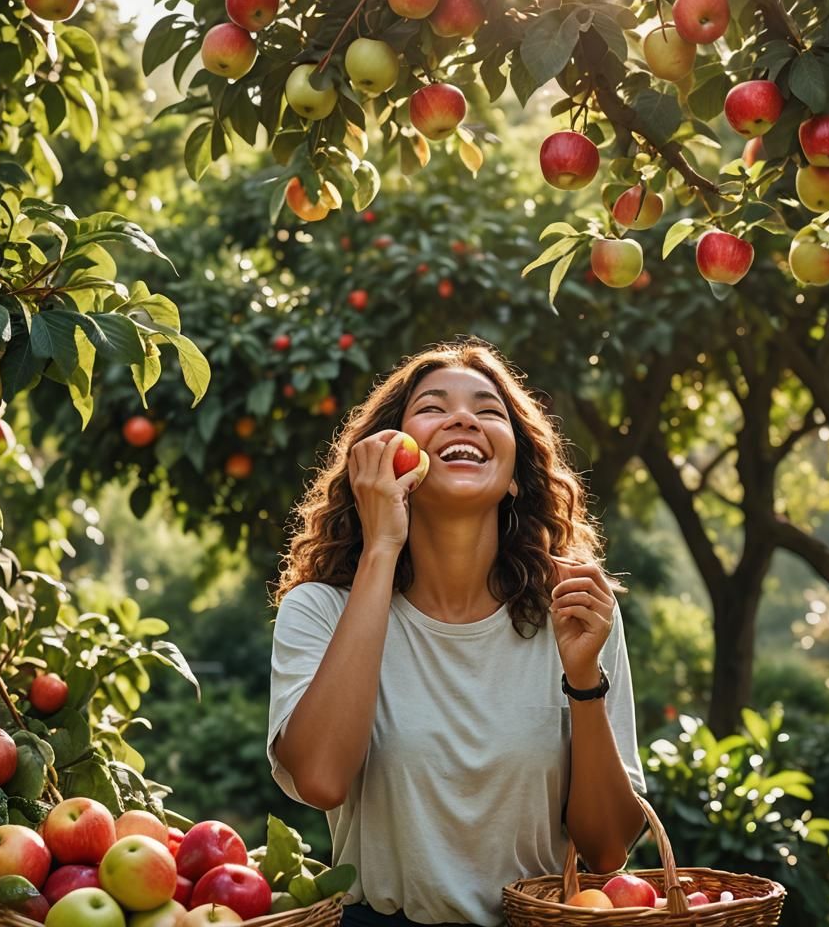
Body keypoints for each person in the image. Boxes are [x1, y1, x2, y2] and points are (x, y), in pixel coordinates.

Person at [267, 340, 646, 927]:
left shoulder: (573, 611)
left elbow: (607, 852)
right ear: (388, 459)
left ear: (518, 477)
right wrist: (381, 549)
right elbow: (319, 779)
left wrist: (583, 679)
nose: (464, 417)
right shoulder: (319, 608)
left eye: (489, 411)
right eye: (433, 406)